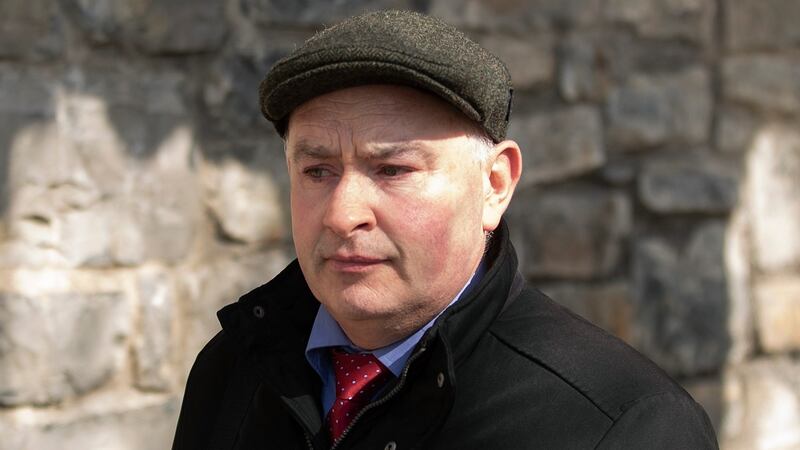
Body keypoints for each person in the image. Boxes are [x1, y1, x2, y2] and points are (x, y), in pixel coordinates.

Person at [173, 10, 718, 450]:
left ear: (495, 185)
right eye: (317, 171)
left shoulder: (623, 426)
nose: (343, 214)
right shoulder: (232, 369)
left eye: (393, 170)